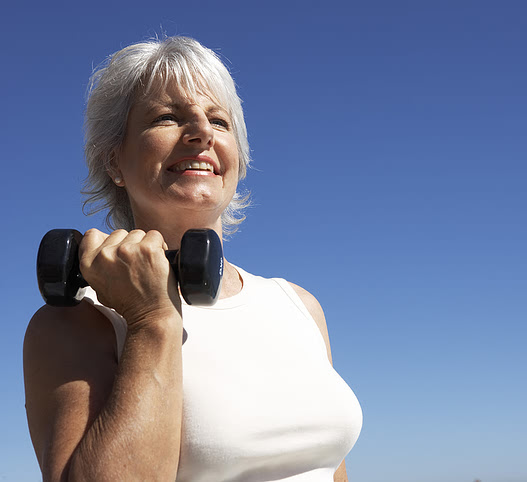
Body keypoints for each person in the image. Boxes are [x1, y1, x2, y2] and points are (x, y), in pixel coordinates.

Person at [23, 36, 362, 482]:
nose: (202, 132)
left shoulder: (299, 305)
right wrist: (150, 320)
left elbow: (330, 469)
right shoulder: (77, 321)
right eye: (167, 117)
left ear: (237, 160)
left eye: (219, 122)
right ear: (114, 162)